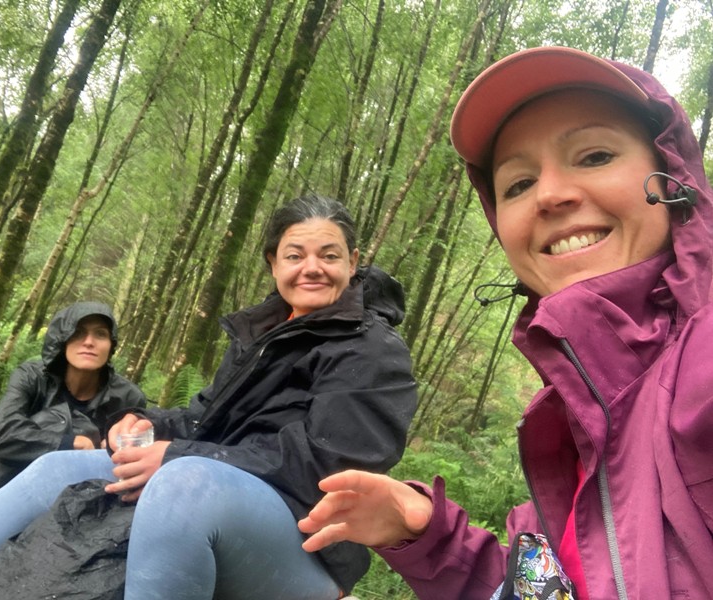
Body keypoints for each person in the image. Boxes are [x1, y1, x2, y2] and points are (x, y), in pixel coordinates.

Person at [298, 46, 713, 599]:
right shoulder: (571, 424)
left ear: (673, 179)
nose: (551, 194)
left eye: (593, 156)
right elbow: (547, 590)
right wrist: (427, 533)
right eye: (517, 185)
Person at [0, 194, 418, 600]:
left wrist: (178, 455)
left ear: (353, 263)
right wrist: (145, 424)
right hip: (217, 480)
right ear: (273, 263)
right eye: (295, 255)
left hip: (306, 543)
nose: (312, 268)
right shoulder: (263, 334)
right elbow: (204, 419)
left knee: (183, 485)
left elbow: (329, 465)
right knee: (57, 469)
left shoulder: (373, 349)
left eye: (329, 256)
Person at [0, 300, 147, 531]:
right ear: (62, 338)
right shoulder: (33, 376)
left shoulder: (129, 398)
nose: (89, 342)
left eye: (100, 334)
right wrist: (72, 443)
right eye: (78, 332)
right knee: (52, 422)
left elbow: (133, 461)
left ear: (111, 345)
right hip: (12, 484)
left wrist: (107, 451)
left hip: (79, 501)